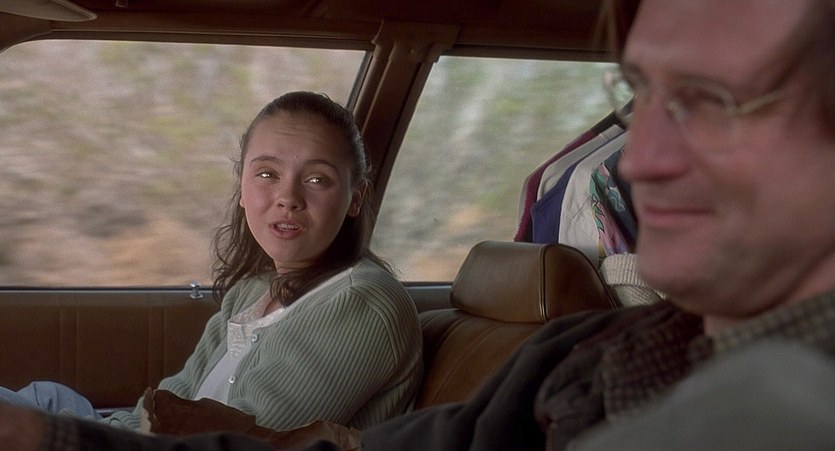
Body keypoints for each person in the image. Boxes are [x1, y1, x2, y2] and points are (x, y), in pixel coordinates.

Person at [3, 0, 835, 449]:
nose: (635, 158)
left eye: (714, 100)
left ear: (354, 197)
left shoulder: (787, 405)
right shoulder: (575, 356)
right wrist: (54, 437)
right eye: (638, 96)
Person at [0, 91, 423, 434]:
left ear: (354, 199)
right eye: (267, 174)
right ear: (242, 188)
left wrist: (72, 439)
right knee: (44, 397)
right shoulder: (253, 291)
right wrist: (100, 431)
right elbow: (171, 402)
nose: (288, 197)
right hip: (168, 442)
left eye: (317, 179)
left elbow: (246, 440)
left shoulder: (362, 304)